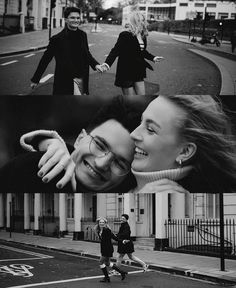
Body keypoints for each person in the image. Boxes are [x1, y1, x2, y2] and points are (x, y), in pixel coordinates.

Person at [22, 94, 236, 196]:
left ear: (186, 151)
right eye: (142, 122)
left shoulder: (207, 195)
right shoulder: (123, 181)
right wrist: (46, 142)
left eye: (150, 129)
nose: (134, 134)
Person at [30, 7, 103, 95]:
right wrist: (36, 79)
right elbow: (45, 59)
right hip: (64, 79)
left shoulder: (83, 35)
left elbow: (86, 54)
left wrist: (95, 65)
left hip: (81, 78)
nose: (76, 20)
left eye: (77, 18)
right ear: (66, 20)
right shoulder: (57, 39)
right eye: (72, 17)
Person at [100, 11, 164, 95]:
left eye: (143, 20)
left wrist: (153, 58)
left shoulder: (142, 36)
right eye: (139, 20)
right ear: (134, 22)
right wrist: (107, 64)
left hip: (138, 70)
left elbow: (142, 51)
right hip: (126, 71)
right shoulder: (125, 35)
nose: (142, 22)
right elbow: (115, 50)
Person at [94, 217, 127, 283]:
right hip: (104, 248)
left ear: (105, 223)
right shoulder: (99, 230)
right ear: (98, 223)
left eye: (103, 222)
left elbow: (114, 238)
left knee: (101, 261)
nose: (101, 223)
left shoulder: (107, 230)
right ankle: (122, 272)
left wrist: (122, 241)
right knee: (107, 263)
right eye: (100, 222)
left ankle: (107, 277)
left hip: (108, 249)